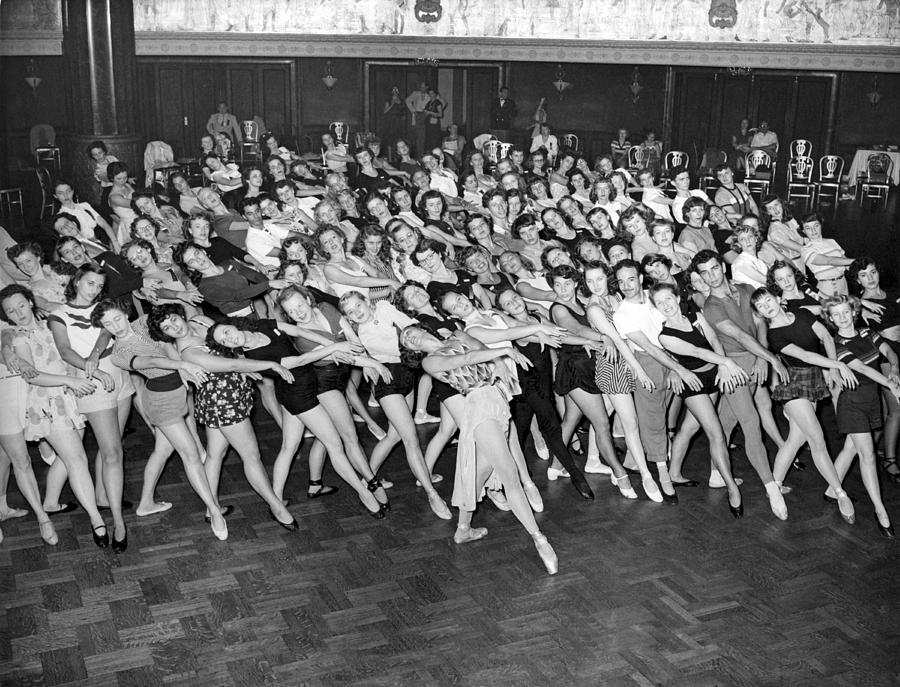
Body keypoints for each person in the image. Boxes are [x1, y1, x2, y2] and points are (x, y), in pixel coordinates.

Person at [398, 324, 558, 574]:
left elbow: (480, 349)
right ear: (411, 350)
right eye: (406, 340)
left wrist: (500, 362)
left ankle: (463, 529)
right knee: (509, 475)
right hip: (478, 406)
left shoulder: (457, 335)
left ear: (422, 328)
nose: (410, 336)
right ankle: (539, 539)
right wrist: (502, 352)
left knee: (480, 474)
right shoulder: (429, 362)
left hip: (497, 398)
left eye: (410, 331)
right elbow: (469, 358)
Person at [93, 299, 227, 538]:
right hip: (160, 400)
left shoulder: (144, 322)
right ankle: (214, 510)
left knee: (162, 451)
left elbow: (164, 344)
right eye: (108, 324)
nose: (116, 326)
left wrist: (181, 366)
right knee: (191, 454)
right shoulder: (119, 355)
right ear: (104, 328)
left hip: (178, 390)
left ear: (125, 312)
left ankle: (145, 503)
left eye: (117, 318)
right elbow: (152, 361)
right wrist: (182, 364)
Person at [0, 285, 109, 548]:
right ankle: (96, 519)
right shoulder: (17, 337)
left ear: (30, 301)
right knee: (77, 459)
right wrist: (68, 382)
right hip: (46, 403)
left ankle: (51, 502)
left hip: (68, 397)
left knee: (71, 457)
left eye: (22, 306)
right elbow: (33, 375)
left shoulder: (50, 324)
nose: (18, 313)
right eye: (11, 311)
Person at [692, 250, 790, 519]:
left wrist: (762, 359)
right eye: (704, 272)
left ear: (722, 267)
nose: (711, 276)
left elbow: (760, 324)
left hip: (754, 360)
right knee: (750, 422)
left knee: (726, 420)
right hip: (732, 367)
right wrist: (769, 358)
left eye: (714, 268)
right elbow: (737, 335)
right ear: (700, 276)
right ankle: (772, 489)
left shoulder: (746, 288)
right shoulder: (711, 306)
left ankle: (715, 473)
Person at [338, 291, 452, 520]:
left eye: (358, 305)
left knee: (393, 436)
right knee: (411, 438)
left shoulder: (384, 309)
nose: (357, 312)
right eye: (350, 312)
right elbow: (366, 356)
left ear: (366, 302)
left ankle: (367, 477)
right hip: (387, 382)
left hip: (407, 375)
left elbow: (410, 326)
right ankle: (432, 494)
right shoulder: (358, 333)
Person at [47, 265, 134, 549]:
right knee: (110, 450)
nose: (94, 288)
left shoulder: (102, 307)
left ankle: (106, 501)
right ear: (77, 281)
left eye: (99, 285)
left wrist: (98, 358)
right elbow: (65, 351)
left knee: (114, 449)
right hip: (91, 378)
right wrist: (93, 369)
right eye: (90, 283)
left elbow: (105, 335)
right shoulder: (59, 314)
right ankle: (117, 521)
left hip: (116, 370)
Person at [750, 288, 856, 514]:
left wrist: (831, 368)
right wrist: (836, 365)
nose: (767, 305)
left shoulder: (802, 314)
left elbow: (826, 337)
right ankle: (840, 492)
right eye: (761, 306)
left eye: (769, 300)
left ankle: (775, 486)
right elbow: (805, 356)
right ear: (759, 313)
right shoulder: (774, 335)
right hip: (793, 382)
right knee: (817, 439)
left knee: (795, 440)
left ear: (779, 299)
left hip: (813, 379)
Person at [650, 282, 746, 517]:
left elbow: (713, 340)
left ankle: (674, 473)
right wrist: (726, 363)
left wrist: (722, 366)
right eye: (660, 303)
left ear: (677, 297)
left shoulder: (695, 315)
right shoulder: (665, 336)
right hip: (692, 383)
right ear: (656, 307)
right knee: (716, 433)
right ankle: (732, 489)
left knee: (689, 428)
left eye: (668, 300)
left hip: (713, 374)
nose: (666, 306)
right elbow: (696, 352)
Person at [822, 295, 898, 538]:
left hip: (872, 401)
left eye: (846, 312)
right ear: (831, 319)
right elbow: (863, 368)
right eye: (837, 314)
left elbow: (888, 350)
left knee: (850, 449)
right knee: (868, 457)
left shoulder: (867, 333)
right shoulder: (837, 343)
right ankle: (880, 510)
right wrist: (891, 384)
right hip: (852, 404)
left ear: (853, 312)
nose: (843, 318)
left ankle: (831, 490)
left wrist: (894, 369)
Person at [405, 81, 431, 157]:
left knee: (424, 136)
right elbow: (407, 100)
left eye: (424, 87)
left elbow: (441, 102)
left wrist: (429, 112)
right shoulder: (416, 93)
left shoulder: (430, 95)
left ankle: (422, 153)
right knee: (417, 136)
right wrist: (413, 110)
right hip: (417, 115)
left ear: (427, 87)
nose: (422, 88)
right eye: (421, 87)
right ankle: (416, 154)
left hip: (426, 116)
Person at [382, 85, 406, 151]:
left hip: (398, 121)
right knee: (390, 137)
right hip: (391, 120)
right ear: (391, 91)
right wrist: (392, 105)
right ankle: (390, 155)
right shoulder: (389, 100)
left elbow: (403, 111)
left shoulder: (401, 100)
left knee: (398, 137)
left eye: (396, 90)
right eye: (394, 90)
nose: (395, 91)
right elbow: (385, 111)